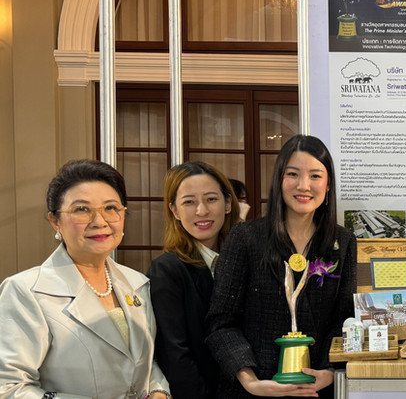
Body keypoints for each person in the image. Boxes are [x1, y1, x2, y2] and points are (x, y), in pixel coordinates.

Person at [0, 159, 170, 399]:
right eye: (82, 209)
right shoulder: (25, 291)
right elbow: (9, 388)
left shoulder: (137, 283)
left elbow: (144, 362)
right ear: (55, 221)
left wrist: (158, 390)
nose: (100, 222)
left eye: (111, 208)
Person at [206, 135, 357, 398]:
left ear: (328, 184)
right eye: (293, 174)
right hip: (253, 390)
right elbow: (221, 324)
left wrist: (330, 371)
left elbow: (344, 319)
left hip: (318, 390)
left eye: (315, 176)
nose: (304, 185)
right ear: (279, 179)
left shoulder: (342, 242)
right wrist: (251, 382)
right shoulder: (245, 238)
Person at [147, 161, 241, 398]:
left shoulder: (245, 261)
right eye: (189, 202)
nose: (202, 211)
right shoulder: (166, 270)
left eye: (211, 199)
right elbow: (174, 354)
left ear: (228, 204)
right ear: (175, 211)